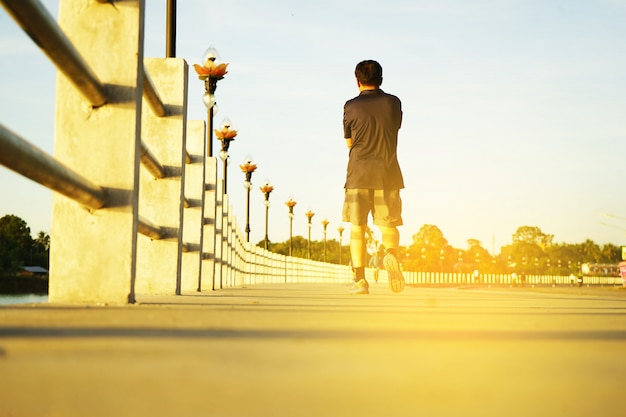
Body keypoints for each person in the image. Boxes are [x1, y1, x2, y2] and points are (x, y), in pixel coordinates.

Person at [342, 60, 405, 295]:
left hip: (358, 174)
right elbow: (395, 127)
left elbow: (349, 142)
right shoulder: (393, 103)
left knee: (358, 228)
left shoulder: (350, 106)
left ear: (357, 81)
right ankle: (390, 254)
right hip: (388, 173)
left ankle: (360, 281)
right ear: (381, 79)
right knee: (388, 226)